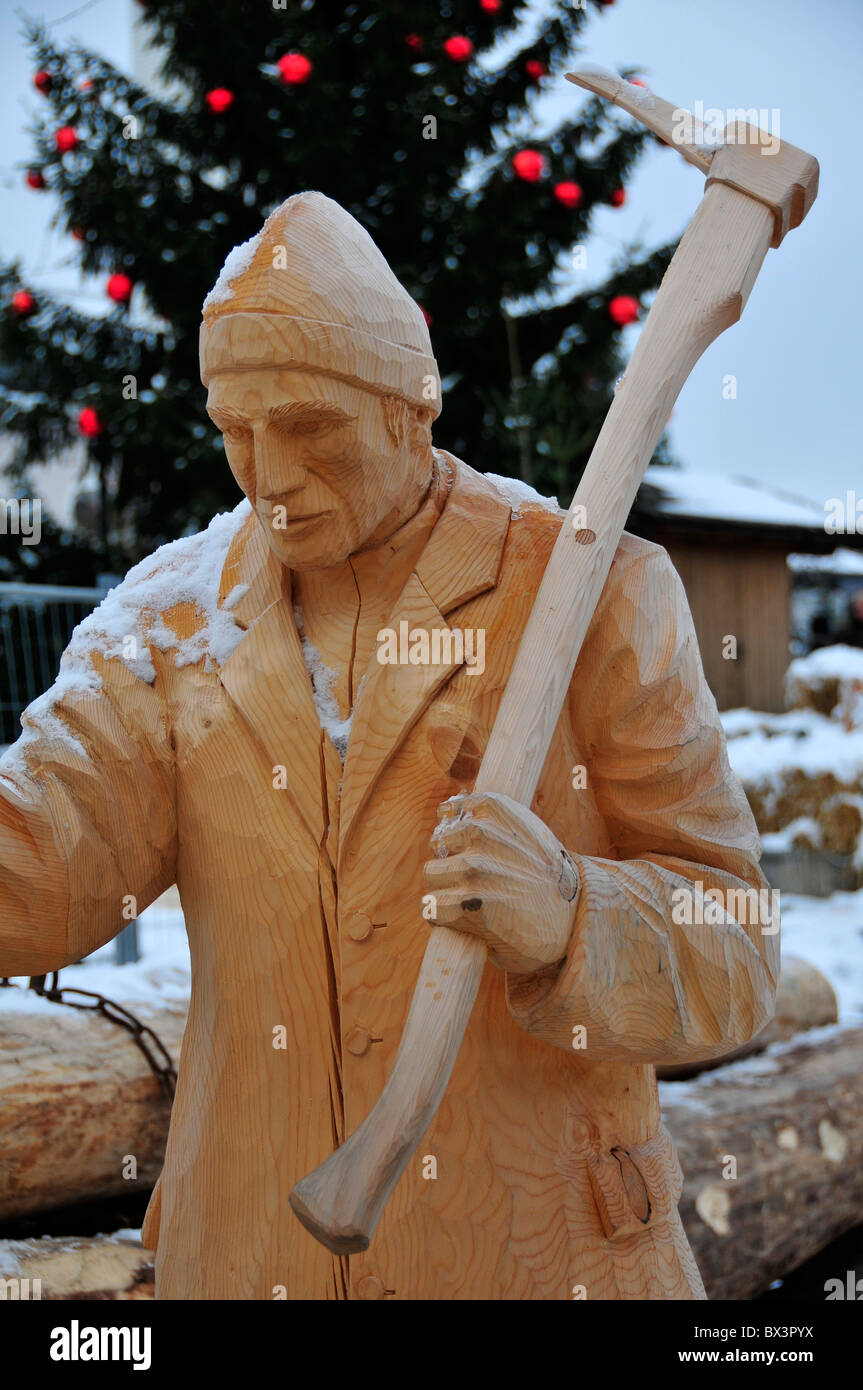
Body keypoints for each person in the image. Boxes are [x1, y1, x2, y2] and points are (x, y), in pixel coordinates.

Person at [0, 192, 777, 1300]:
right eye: (235, 431)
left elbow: (738, 947)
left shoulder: (588, 594)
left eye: (307, 427)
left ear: (411, 407)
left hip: (528, 1257)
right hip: (246, 1257)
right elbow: (36, 871)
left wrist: (570, 916)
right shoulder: (169, 621)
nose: (266, 476)